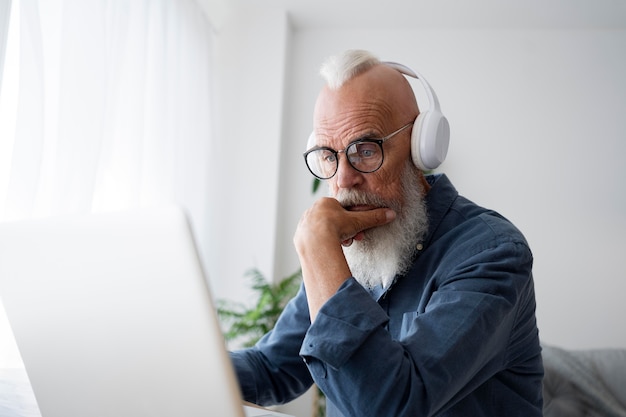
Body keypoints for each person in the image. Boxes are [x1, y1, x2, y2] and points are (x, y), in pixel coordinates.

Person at [230, 49, 543, 417]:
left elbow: (391, 406)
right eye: (329, 156)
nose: (343, 180)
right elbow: (273, 369)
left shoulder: (492, 253)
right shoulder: (350, 250)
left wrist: (319, 254)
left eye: (364, 149)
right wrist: (176, 366)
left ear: (420, 148)